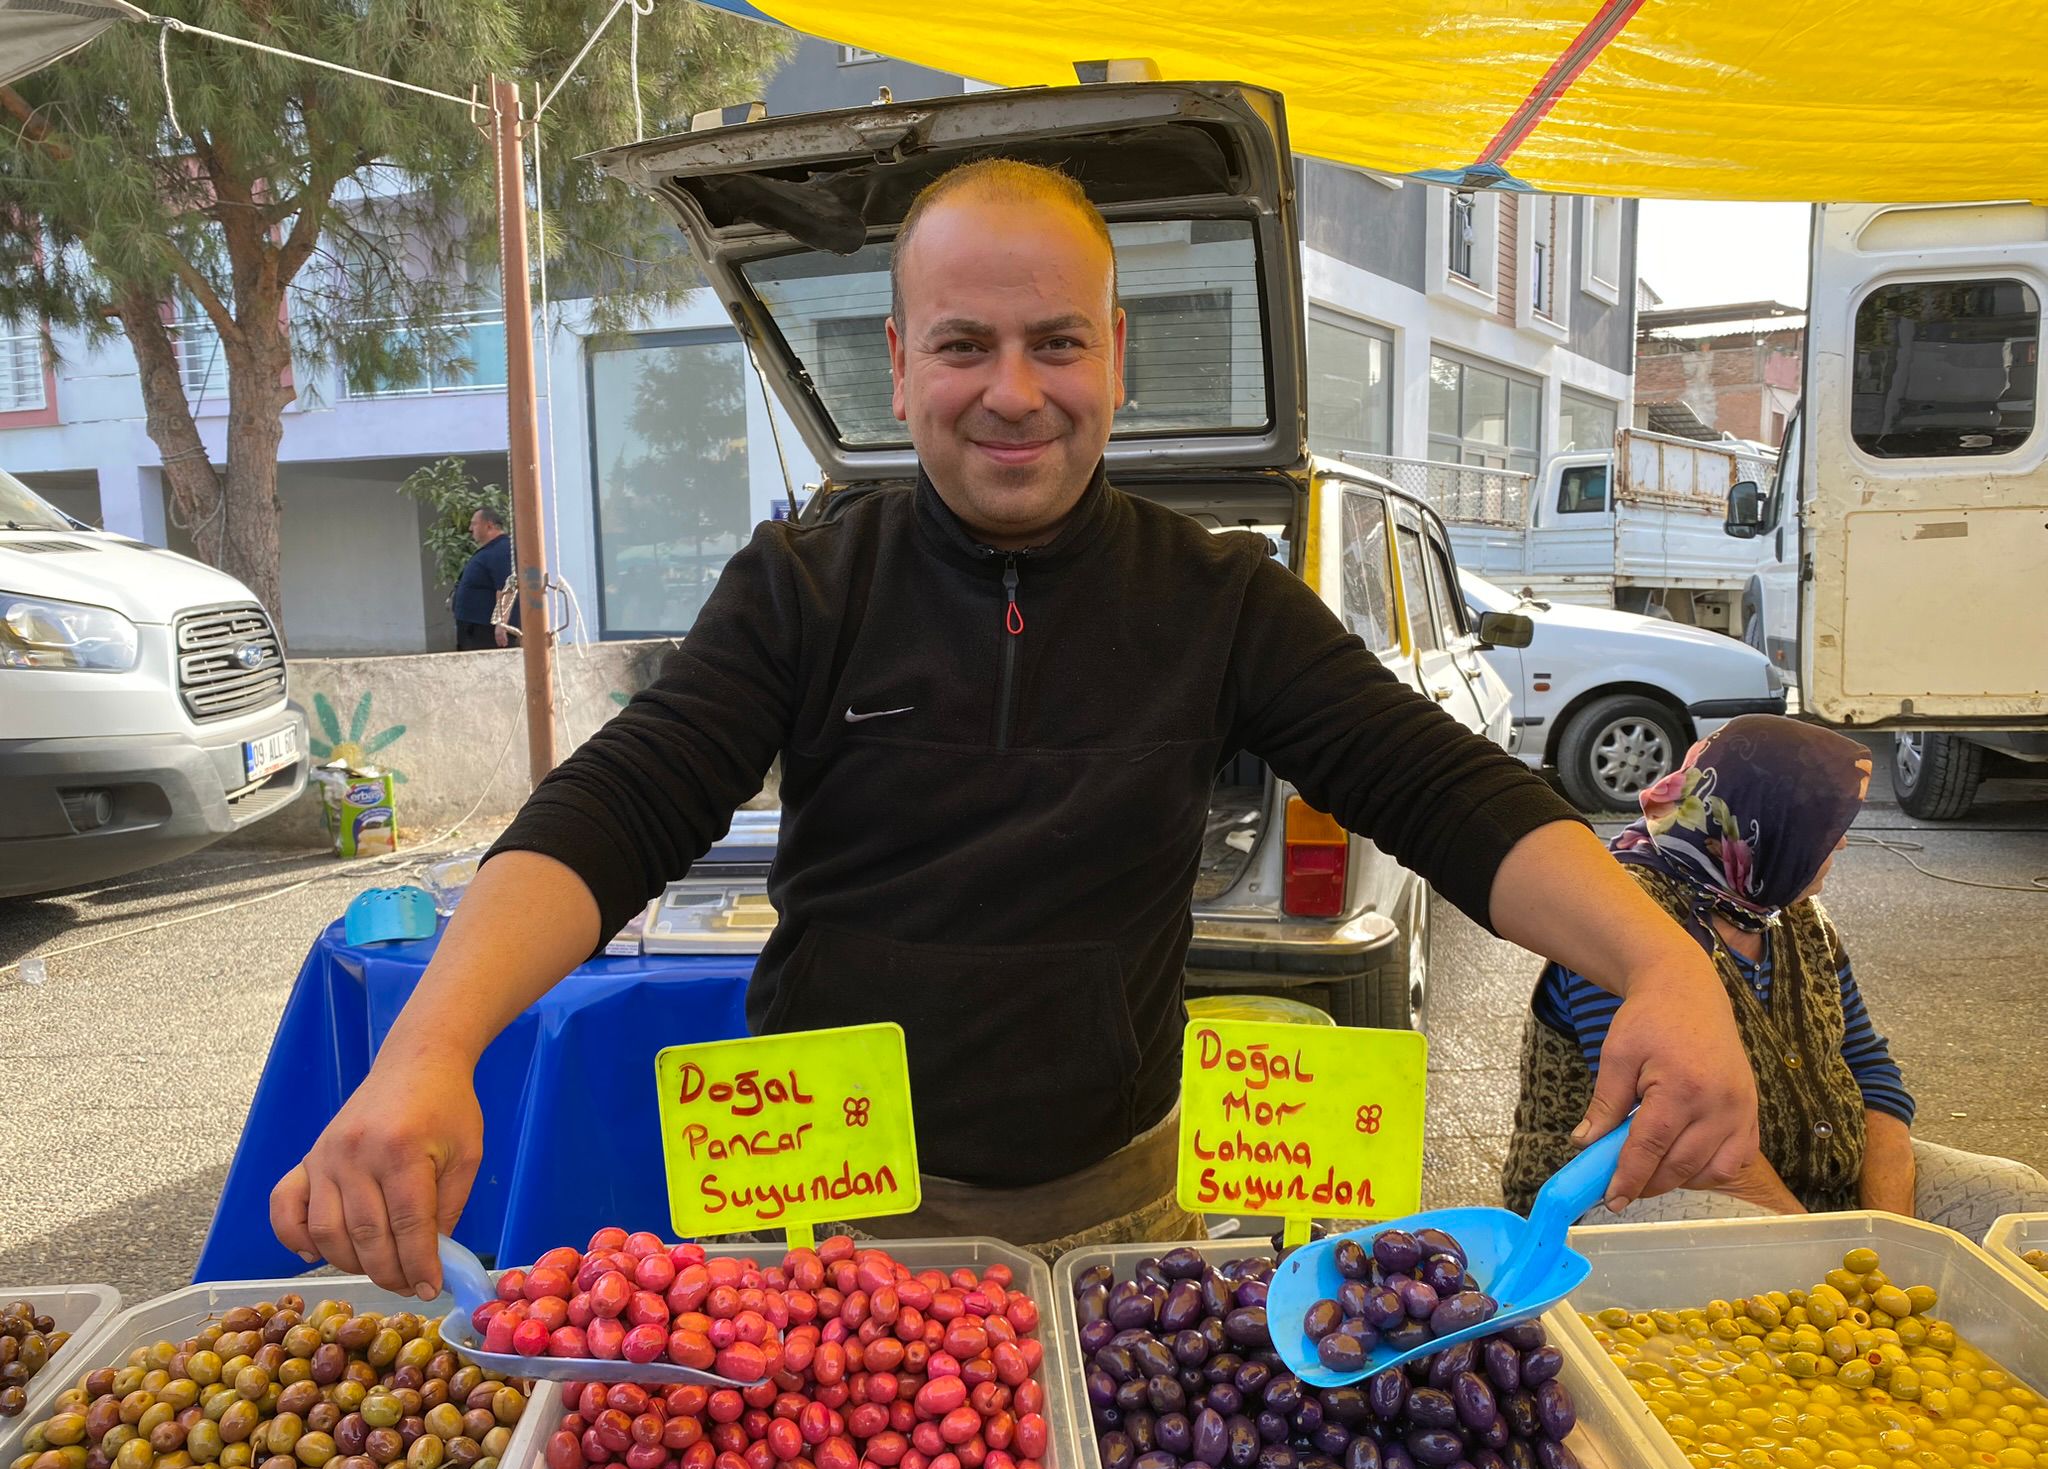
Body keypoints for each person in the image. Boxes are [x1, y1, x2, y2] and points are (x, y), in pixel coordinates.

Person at [273, 158, 1763, 1298]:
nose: (1014, 393)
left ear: (1117, 354)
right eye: (966, 345)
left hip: (1111, 1207)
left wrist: (1659, 958)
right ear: (900, 360)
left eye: (1056, 344)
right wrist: (429, 1045)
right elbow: (619, 809)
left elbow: (1443, 789)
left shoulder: (1216, 599)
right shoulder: (803, 585)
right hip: (819, 1217)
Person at [1502, 714, 2048, 1241]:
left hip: (1813, 1177)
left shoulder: (1786, 911)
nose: (1840, 845)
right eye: (1824, 827)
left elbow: (1869, 1070)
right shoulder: (1620, 919)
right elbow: (1673, 1129)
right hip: (1640, 1186)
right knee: (1755, 1278)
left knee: (2016, 1195)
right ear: (1758, 825)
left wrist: (1889, 1231)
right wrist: (1832, 1254)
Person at [451, 506, 516, 651]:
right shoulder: (490, 549)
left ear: (489, 526)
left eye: (474, 524)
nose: (470, 528)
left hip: (486, 631)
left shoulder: (501, 549)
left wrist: (501, 623)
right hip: (473, 628)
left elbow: (507, 587)